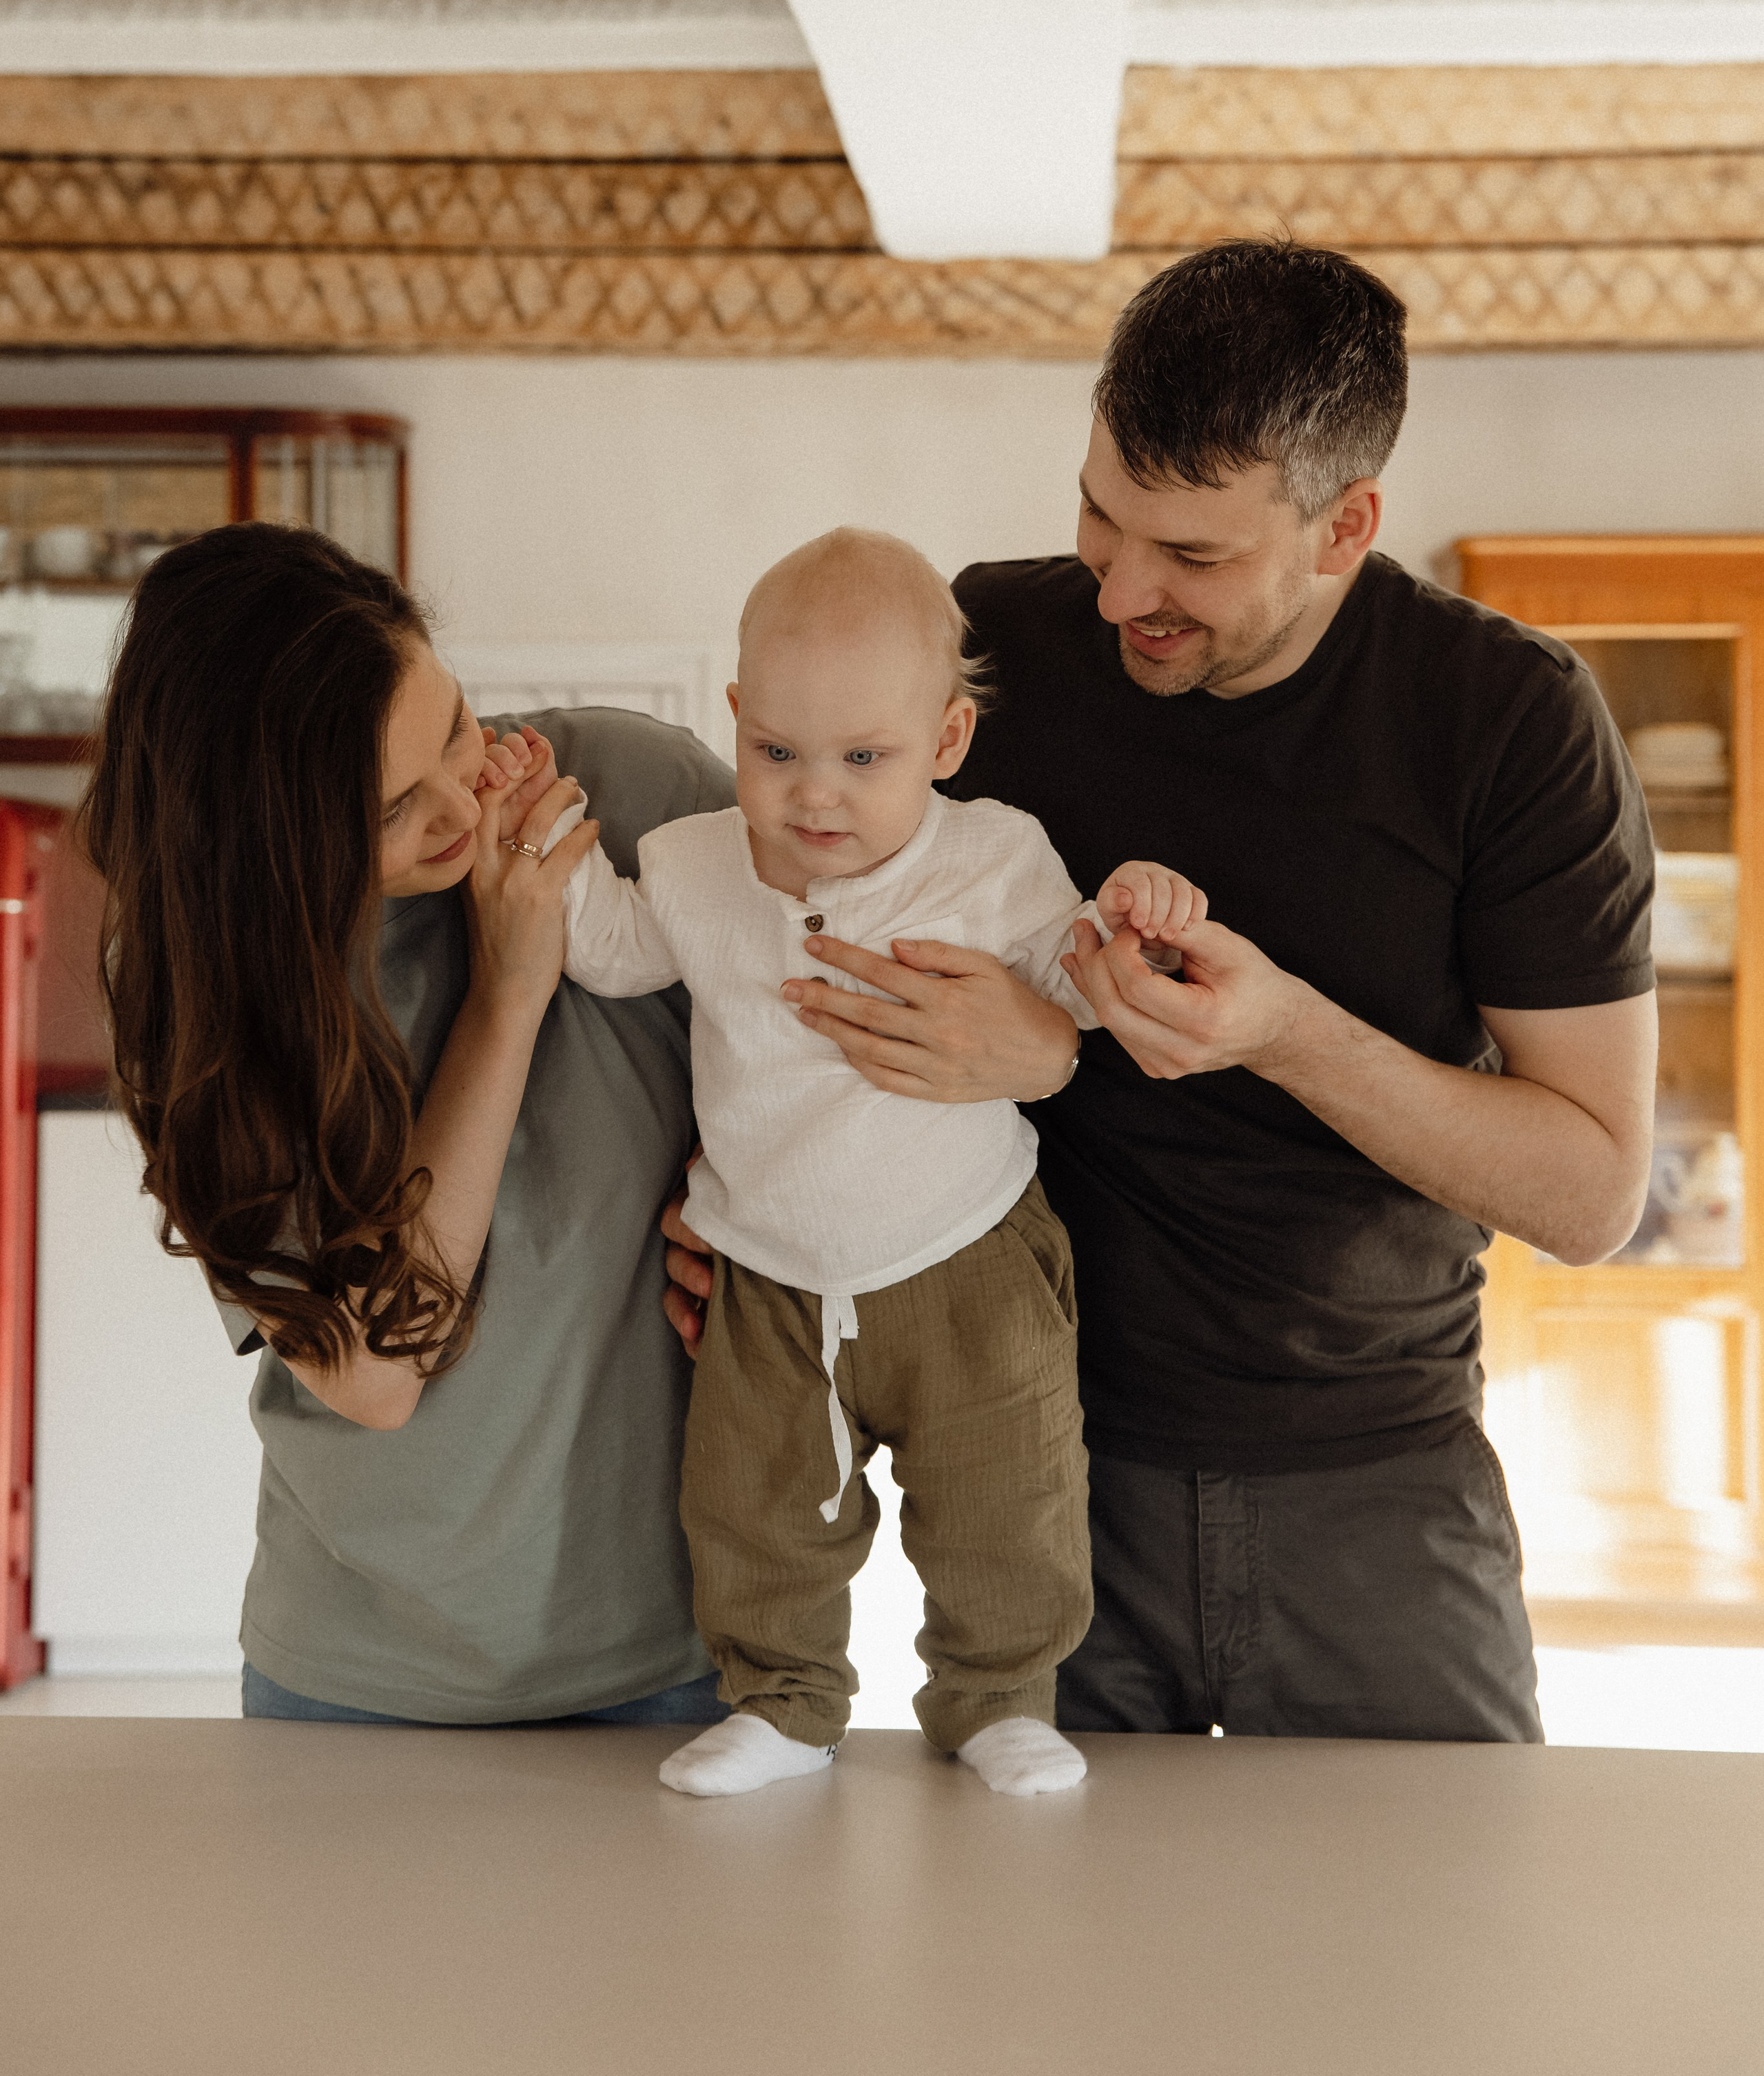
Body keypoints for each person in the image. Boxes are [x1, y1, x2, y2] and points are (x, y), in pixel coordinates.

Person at [668, 240, 1657, 1745]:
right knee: (1050, 1962)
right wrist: (735, 1207)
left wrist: (1282, 1035)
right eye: (1096, 512)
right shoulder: (976, 656)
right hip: (1044, 1467)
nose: (1121, 587)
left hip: (1377, 1492)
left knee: (1424, 1956)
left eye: (1190, 556)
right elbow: (758, 930)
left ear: (1345, 527)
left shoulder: (1507, 721)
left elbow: (1587, 1194)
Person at [562, 528, 1204, 1798]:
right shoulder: (694, 862)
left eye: (866, 759)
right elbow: (615, 947)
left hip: (963, 1248)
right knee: (753, 1512)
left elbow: (1073, 984)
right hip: (768, 1269)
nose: (817, 797)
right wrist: (549, 852)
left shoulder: (993, 855)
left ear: (948, 743)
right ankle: (785, 1701)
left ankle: (1001, 1695)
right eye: (779, 753)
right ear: (735, 717)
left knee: (1006, 1499)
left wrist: (1131, 917)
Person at [83, 519, 738, 1728]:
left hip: (674, 1658)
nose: (461, 801)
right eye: (388, 811)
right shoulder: (209, 988)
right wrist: (509, 992)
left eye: (452, 726)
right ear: (270, 847)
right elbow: (375, 1372)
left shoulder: (639, 797)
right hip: (355, 1680)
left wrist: (759, 1203)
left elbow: (831, 1030)